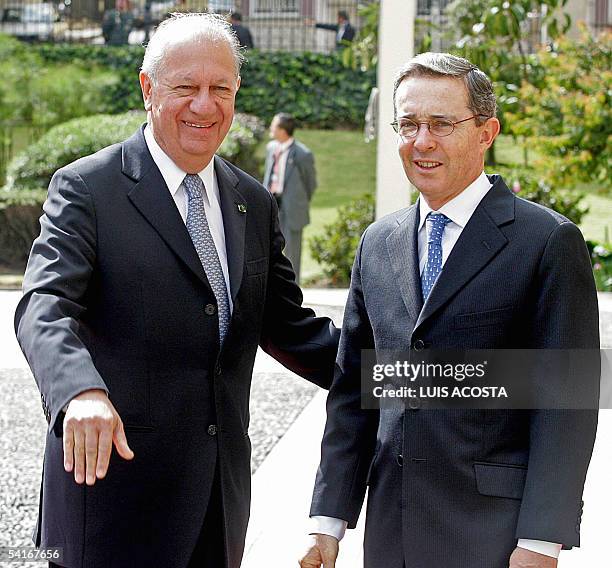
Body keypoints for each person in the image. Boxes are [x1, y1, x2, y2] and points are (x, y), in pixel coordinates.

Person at [15, 13, 339, 568]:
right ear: (148, 89)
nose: (205, 105)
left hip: (217, 509)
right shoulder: (87, 188)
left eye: (221, 89)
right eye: (186, 87)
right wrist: (79, 392)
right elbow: (43, 306)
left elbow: (293, 330)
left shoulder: (253, 203)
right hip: (111, 505)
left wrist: (430, 378)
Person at [300, 52, 599, 568]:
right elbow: (355, 390)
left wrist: (541, 541)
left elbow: (567, 403)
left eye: (441, 124)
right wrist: (327, 523)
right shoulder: (378, 243)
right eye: (409, 124)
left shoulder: (548, 241)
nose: (422, 141)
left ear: (487, 132)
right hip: (391, 532)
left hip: (494, 538)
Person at [263, 113, 316, 283]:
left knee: (293, 250)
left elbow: (310, 183)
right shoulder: (271, 148)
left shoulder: (302, 154)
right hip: (272, 203)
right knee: (269, 247)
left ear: (283, 130)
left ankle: (293, 290)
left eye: (273, 125)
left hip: (292, 207)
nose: (270, 128)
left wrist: (299, 201)